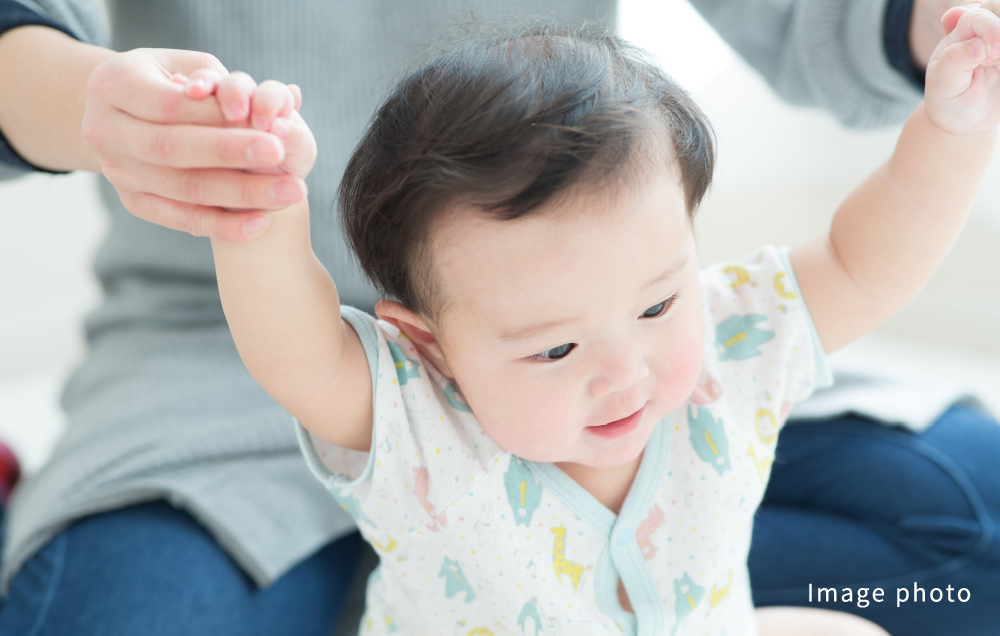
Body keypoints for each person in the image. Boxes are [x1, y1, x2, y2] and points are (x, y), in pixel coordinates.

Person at [0, 0, 998, 635]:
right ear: (428, 349)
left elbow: (862, 260)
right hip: (189, 362)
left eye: (658, 301)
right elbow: (301, 354)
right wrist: (256, 211)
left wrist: (951, 126)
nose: (624, 370)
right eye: (554, 349)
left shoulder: (728, 346)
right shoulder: (419, 424)